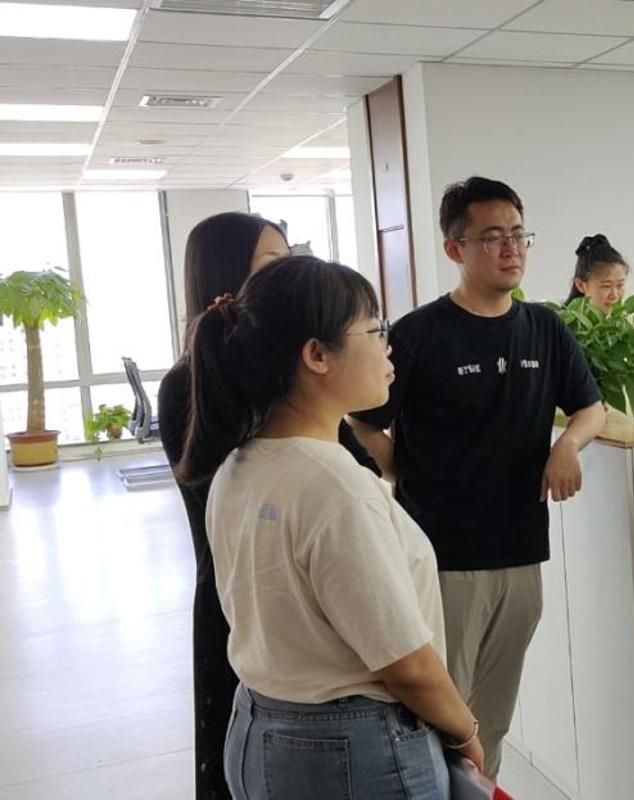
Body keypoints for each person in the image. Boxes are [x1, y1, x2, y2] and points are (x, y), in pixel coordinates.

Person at [177, 256, 482, 799]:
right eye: (375, 329)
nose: (389, 348)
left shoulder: (237, 467)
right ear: (317, 355)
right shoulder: (337, 487)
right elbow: (407, 665)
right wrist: (465, 731)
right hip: (353, 752)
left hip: (256, 731)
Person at [350, 176, 605, 778]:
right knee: (443, 715)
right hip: (444, 557)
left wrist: (567, 445)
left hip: (521, 550)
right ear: (455, 248)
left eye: (517, 234)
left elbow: (591, 408)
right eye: (492, 237)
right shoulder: (419, 333)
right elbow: (363, 421)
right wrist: (402, 469)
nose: (510, 248)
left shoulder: (545, 327)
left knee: (493, 716)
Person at [156, 212, 379, 800]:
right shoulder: (192, 384)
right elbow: (261, 496)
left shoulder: (287, 382)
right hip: (244, 599)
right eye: (273, 263)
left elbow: (363, 468)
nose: (291, 274)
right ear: (226, 276)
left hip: (305, 598)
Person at [565, 233, 629, 312]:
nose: (614, 295)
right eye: (606, 286)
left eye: (620, 285)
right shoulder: (559, 319)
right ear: (580, 285)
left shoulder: (627, 319)